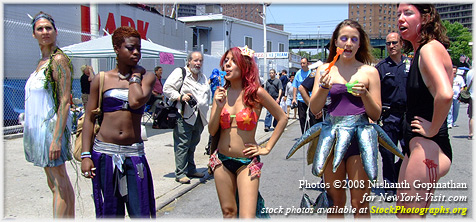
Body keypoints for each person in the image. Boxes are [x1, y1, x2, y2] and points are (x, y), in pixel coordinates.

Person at [80, 26, 156, 218]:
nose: (136, 52)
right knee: (111, 214)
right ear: (116, 48)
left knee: (141, 212)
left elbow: (135, 100)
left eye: (139, 48)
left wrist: (136, 76)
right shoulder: (101, 79)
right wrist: (85, 155)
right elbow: (89, 117)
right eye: (130, 48)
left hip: (134, 154)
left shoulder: (147, 77)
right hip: (105, 154)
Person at [310, 19, 381, 218]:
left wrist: (365, 94)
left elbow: (376, 114)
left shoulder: (370, 72)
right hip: (332, 140)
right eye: (344, 38)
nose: (348, 43)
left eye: (354, 39)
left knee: (360, 204)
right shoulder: (323, 70)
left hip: (360, 141)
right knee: (335, 203)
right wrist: (324, 88)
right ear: (336, 42)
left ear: (360, 44)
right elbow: (314, 108)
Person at [208, 46, 287, 218]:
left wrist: (266, 148)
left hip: (247, 163)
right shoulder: (220, 93)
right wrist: (218, 106)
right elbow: (212, 129)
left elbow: (282, 118)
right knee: (228, 213)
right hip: (221, 161)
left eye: (233, 61)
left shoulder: (256, 93)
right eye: (226, 61)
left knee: (247, 216)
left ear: (244, 65)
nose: (227, 65)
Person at [396, 4, 453, 218]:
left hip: (428, 146)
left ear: (426, 17)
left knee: (411, 217)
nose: (401, 18)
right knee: (404, 215)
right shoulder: (422, 51)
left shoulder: (429, 48)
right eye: (399, 14)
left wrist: (433, 129)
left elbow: (445, 94)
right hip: (416, 147)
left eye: (408, 13)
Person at [23, 11, 75, 218]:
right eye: (39, 29)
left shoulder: (58, 60)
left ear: (55, 31)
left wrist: (56, 138)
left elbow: (64, 101)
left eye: (48, 28)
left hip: (50, 130)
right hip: (38, 130)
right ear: (33, 34)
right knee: (56, 180)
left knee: (58, 182)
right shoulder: (42, 62)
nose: (44, 32)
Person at [163, 51, 210, 184]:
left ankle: (190, 169)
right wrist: (180, 97)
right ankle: (181, 172)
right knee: (183, 144)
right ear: (188, 61)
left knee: (193, 143)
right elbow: (167, 88)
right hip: (184, 115)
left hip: (199, 116)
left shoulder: (202, 76)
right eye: (195, 60)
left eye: (200, 61)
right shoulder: (180, 72)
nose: (198, 63)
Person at [374, 32, 410, 198]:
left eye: (394, 42)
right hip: (388, 117)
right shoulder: (381, 68)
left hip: (409, 116)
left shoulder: (411, 64)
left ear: (401, 43)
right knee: (387, 153)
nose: (391, 46)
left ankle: (398, 172)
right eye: (388, 43)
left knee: (410, 152)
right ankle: (389, 186)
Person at [292, 57, 314, 134]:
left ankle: (312, 131)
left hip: (310, 98)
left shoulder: (312, 72)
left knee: (312, 116)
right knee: (302, 117)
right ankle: (304, 133)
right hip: (301, 99)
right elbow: (295, 86)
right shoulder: (298, 73)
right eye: (301, 63)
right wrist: (294, 98)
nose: (302, 65)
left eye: (303, 63)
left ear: (307, 63)